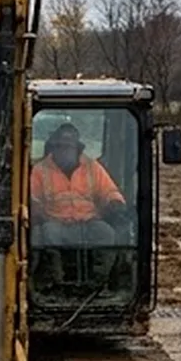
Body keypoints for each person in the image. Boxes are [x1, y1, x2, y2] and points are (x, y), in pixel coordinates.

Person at [29, 123, 134, 289]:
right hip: (55, 223)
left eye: (68, 147)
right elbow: (33, 198)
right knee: (44, 236)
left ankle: (98, 282)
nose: (64, 151)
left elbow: (109, 190)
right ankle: (57, 282)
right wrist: (38, 214)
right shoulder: (40, 170)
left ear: (77, 148)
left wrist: (115, 202)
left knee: (106, 234)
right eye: (60, 146)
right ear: (53, 147)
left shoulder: (92, 168)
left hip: (89, 222)